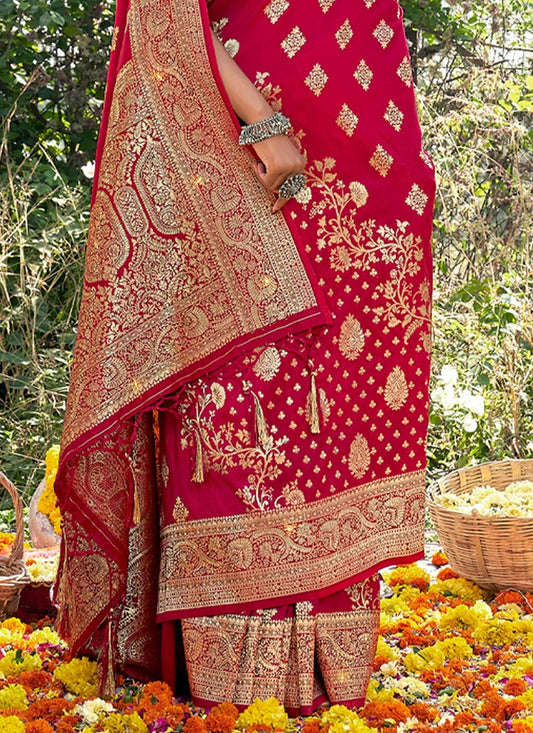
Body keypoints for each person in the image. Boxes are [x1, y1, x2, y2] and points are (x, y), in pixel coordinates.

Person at [54, 0, 435, 715]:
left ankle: (329, 665)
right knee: (241, 408)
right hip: (249, 147)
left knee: (340, 411)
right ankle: (238, 680)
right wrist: (261, 120)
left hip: (371, 152)